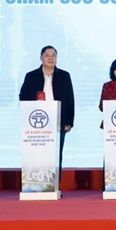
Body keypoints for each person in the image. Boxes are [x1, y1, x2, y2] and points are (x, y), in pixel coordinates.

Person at [19, 46, 75, 183]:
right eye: (47, 55)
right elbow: (23, 97)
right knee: (36, 152)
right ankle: (35, 182)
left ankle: (54, 184)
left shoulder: (64, 76)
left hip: (58, 120)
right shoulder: (31, 76)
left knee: (56, 153)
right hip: (36, 121)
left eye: (53, 55)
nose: (50, 58)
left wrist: (69, 121)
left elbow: (70, 99)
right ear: (41, 58)